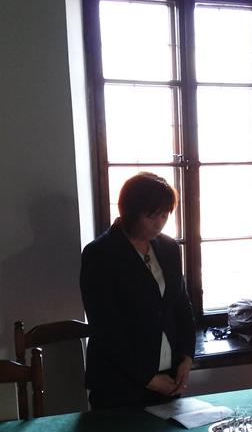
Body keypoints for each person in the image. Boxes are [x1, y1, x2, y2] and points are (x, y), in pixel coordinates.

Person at [80, 173, 195, 409]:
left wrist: (187, 357)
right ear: (130, 212)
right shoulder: (100, 253)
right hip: (118, 382)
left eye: (165, 215)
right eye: (152, 216)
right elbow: (106, 327)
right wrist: (147, 378)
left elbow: (181, 306)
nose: (159, 224)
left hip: (168, 377)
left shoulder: (169, 248)